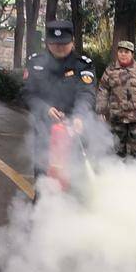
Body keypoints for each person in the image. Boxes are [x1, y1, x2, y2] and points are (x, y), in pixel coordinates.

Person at [21, 20, 96, 180]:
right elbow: (27, 94)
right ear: (47, 43)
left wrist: (79, 116)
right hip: (44, 132)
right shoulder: (35, 63)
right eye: (55, 43)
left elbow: (87, 93)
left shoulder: (82, 65)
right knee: (44, 181)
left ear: (72, 42)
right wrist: (45, 109)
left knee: (73, 183)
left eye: (64, 43)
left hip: (74, 131)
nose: (59, 47)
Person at [96, 40, 136, 159]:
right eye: (120, 52)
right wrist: (101, 110)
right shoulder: (110, 71)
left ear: (132, 54)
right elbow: (103, 91)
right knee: (117, 151)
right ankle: (119, 174)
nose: (123, 54)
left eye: (126, 52)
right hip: (117, 118)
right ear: (117, 53)